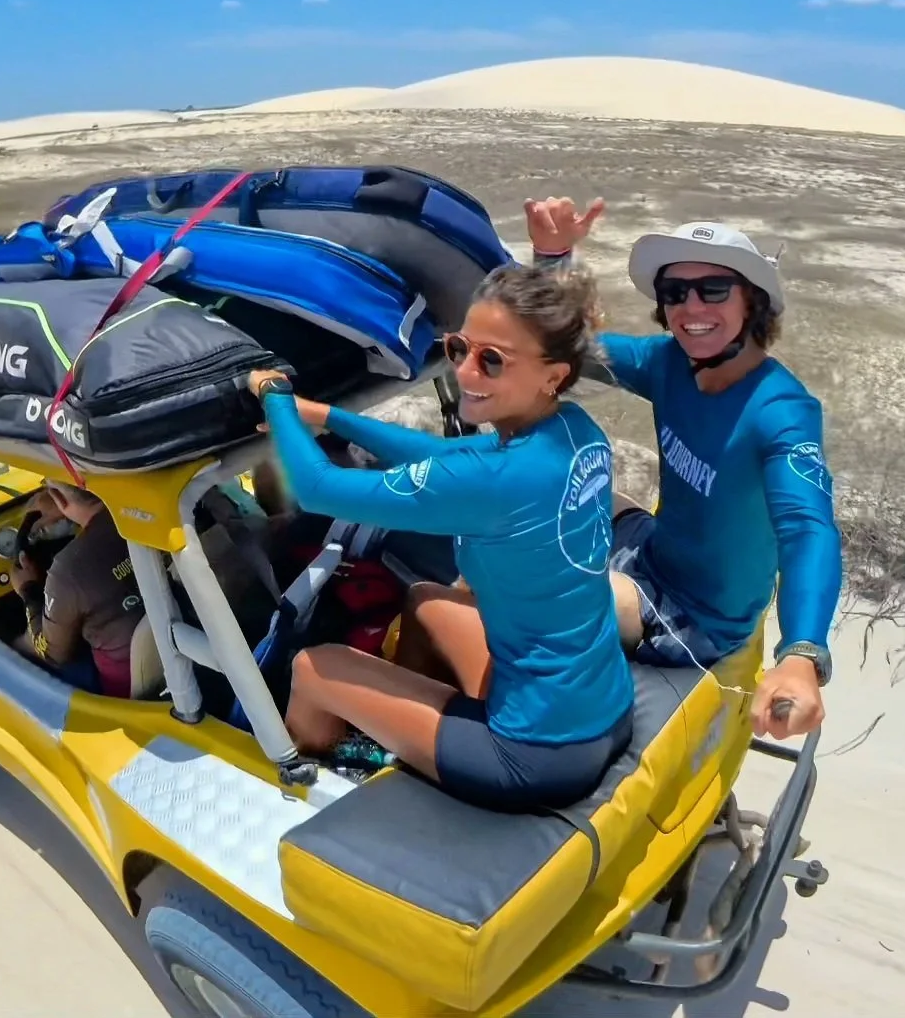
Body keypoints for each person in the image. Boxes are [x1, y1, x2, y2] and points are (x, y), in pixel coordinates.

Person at [248, 263, 635, 812]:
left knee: (311, 668)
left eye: (492, 360)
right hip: (601, 708)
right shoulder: (572, 429)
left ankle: (327, 784)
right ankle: (407, 731)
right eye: (459, 349)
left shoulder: (495, 482)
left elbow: (316, 487)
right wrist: (330, 416)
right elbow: (445, 455)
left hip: (533, 754)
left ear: (554, 373)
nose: (467, 374)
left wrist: (276, 397)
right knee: (426, 600)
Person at [524, 195, 842, 743]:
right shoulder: (667, 362)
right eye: (675, 293)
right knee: (547, 497)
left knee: (528, 589)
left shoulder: (782, 412)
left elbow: (807, 530)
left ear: (753, 303)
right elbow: (572, 346)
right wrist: (553, 257)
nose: (691, 308)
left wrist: (803, 654)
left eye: (713, 290)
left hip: (696, 615)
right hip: (652, 548)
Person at [10, 480, 282, 697]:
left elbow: (53, 653)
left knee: (16, 647)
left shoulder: (69, 569)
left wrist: (29, 591)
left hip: (131, 688)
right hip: (205, 642)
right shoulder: (183, 504)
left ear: (59, 499)